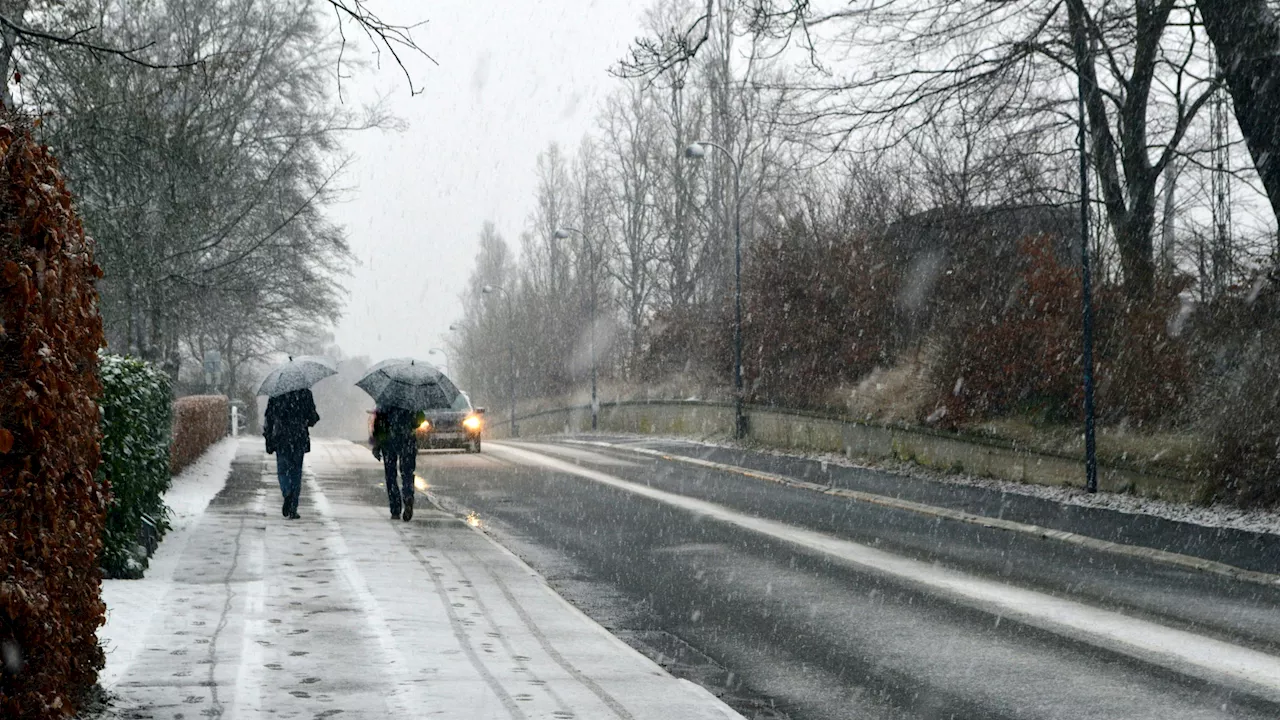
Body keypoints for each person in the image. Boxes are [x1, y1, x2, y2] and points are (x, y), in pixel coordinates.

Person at [263, 388, 320, 520]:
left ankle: (286, 492)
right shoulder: (305, 393)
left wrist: (268, 438)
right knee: (296, 471)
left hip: (281, 438)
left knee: (283, 470)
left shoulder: (275, 394)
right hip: (299, 438)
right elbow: (312, 418)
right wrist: (306, 419)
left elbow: (269, 418)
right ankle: (293, 508)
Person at [371, 404, 424, 521]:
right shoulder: (411, 400)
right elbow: (419, 421)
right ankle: (408, 495)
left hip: (388, 442)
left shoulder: (385, 401)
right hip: (408, 440)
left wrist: (376, 444)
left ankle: (395, 509)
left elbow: (378, 424)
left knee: (390, 475)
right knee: (407, 472)